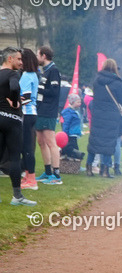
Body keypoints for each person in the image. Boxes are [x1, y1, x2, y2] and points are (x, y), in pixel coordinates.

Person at [0, 48, 36, 206]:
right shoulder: (13, 74)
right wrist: (15, 102)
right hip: (12, 119)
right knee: (15, 158)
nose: (21, 63)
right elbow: (14, 87)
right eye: (19, 59)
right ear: (10, 59)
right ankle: (17, 196)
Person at [87, 59, 122, 178]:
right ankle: (105, 170)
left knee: (94, 141)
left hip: (97, 114)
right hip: (111, 116)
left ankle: (89, 168)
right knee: (108, 142)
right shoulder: (117, 82)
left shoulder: (97, 80)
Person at [35, 46, 62, 185]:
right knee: (41, 141)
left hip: (48, 111)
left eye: (37, 55)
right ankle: (47, 172)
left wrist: (38, 90)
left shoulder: (53, 71)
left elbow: (54, 92)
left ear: (44, 56)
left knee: (51, 142)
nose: (36, 58)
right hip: (40, 110)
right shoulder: (45, 71)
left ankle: (56, 175)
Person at [18, 49, 40, 190]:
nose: (19, 62)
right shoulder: (33, 75)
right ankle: (27, 176)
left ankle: (31, 179)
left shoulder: (27, 75)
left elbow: (25, 98)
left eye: (21, 59)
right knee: (25, 147)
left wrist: (11, 102)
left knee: (27, 148)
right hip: (31, 113)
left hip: (27, 113)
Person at [60, 94, 85, 161]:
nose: (80, 103)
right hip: (71, 133)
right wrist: (65, 133)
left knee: (72, 146)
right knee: (73, 147)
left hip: (74, 133)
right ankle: (75, 158)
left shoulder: (76, 111)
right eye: (78, 102)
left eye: (80, 102)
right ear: (73, 102)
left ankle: (70, 157)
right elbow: (66, 123)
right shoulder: (69, 112)